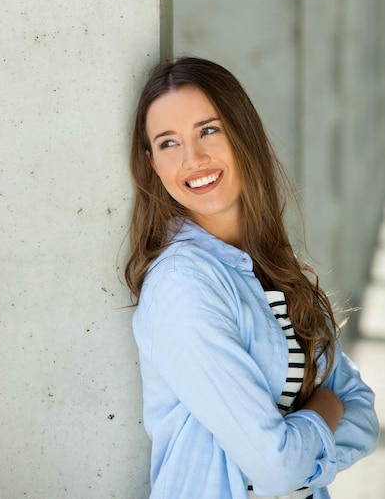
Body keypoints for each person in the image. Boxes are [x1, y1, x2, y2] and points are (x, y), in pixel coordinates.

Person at [125, 57, 379, 499]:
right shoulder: (183, 286)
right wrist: (326, 406)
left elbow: (364, 413)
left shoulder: (273, 268)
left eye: (208, 130)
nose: (193, 159)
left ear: (242, 132)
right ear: (152, 163)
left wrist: (307, 442)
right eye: (168, 143)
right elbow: (277, 468)